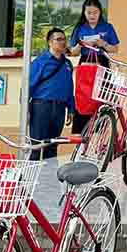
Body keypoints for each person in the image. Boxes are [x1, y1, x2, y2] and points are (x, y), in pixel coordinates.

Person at [69, 0, 120, 135]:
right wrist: (81, 44)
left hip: (102, 62)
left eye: (95, 12)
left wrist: (103, 44)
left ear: (100, 12)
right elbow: (72, 53)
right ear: (84, 13)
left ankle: (100, 132)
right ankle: (82, 133)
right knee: (84, 95)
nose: (92, 16)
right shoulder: (80, 28)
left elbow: (115, 48)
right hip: (85, 63)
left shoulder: (107, 27)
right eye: (89, 13)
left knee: (101, 96)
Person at [28, 28, 76, 159]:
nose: (62, 42)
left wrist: (71, 108)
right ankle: (32, 178)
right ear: (49, 42)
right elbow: (28, 86)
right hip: (41, 107)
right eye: (58, 39)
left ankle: (49, 179)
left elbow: (69, 87)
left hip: (59, 109)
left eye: (64, 39)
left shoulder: (67, 63)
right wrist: (26, 110)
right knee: (38, 146)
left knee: (53, 146)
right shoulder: (40, 62)